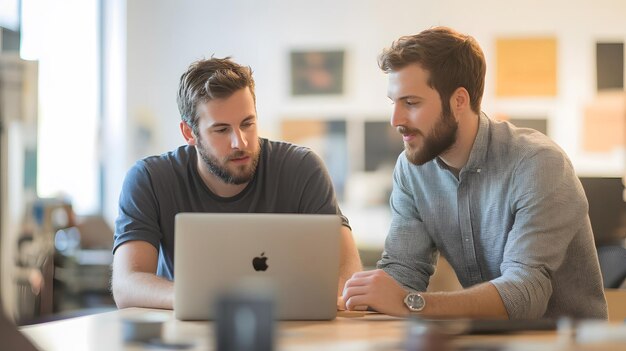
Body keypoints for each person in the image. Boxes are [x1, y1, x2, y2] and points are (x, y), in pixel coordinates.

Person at [341, 27, 608, 320]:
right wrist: (366, 294)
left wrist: (410, 303)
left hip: (565, 343)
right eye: (394, 102)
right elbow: (403, 273)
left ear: (458, 101)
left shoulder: (539, 164)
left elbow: (525, 295)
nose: (396, 120)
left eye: (411, 103)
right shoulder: (411, 169)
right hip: (484, 339)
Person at [112, 57, 362, 309]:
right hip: (190, 331)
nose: (240, 142)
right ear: (189, 133)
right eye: (221, 130)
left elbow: (346, 269)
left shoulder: (302, 167)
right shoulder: (149, 179)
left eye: (247, 124)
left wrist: (323, 302)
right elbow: (127, 284)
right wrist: (203, 300)